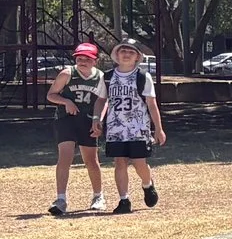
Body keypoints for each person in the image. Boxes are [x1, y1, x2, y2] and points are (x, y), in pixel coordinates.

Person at [97, 40, 166, 212]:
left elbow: (151, 104)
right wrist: (96, 118)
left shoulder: (142, 77)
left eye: (131, 52)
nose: (126, 54)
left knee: (138, 163)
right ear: (116, 55)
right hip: (115, 128)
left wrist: (158, 128)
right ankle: (124, 200)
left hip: (138, 127)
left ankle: (147, 184)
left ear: (137, 57)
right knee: (119, 162)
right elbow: (101, 100)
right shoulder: (107, 77)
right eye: (123, 51)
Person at [45, 41, 108, 217]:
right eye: (80, 58)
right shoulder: (67, 74)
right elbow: (50, 95)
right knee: (65, 156)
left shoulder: (100, 77)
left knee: (91, 160)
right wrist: (66, 101)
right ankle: (61, 199)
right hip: (66, 119)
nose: (82, 61)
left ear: (95, 60)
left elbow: (102, 101)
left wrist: (98, 120)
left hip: (87, 120)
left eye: (87, 59)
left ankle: (98, 196)